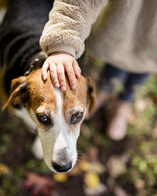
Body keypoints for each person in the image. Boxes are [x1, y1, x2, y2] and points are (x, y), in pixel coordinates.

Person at [39, 0, 157, 140]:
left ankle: (124, 101)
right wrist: (63, 42)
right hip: (124, 31)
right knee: (117, 60)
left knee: (142, 71)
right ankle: (106, 88)